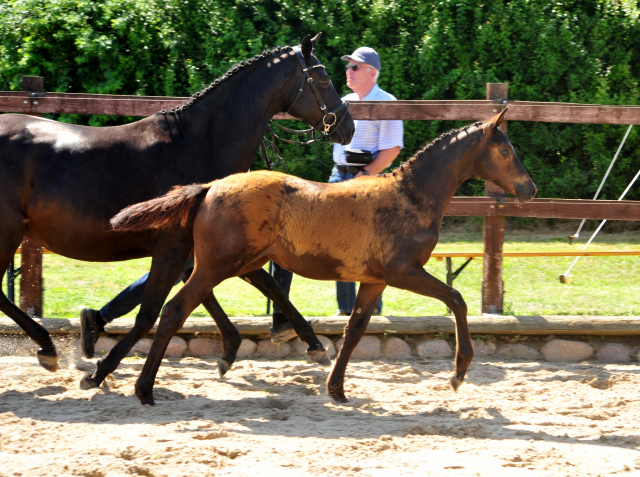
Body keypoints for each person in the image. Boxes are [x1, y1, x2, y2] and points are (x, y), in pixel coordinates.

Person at [330, 46, 404, 316]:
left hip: (368, 180)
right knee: (339, 241)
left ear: (371, 73)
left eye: (354, 67)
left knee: (368, 243)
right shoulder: (345, 101)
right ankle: (345, 308)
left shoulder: (387, 102)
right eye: (348, 66)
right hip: (340, 176)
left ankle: (370, 308)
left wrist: (366, 175)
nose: (348, 71)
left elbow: (393, 149)